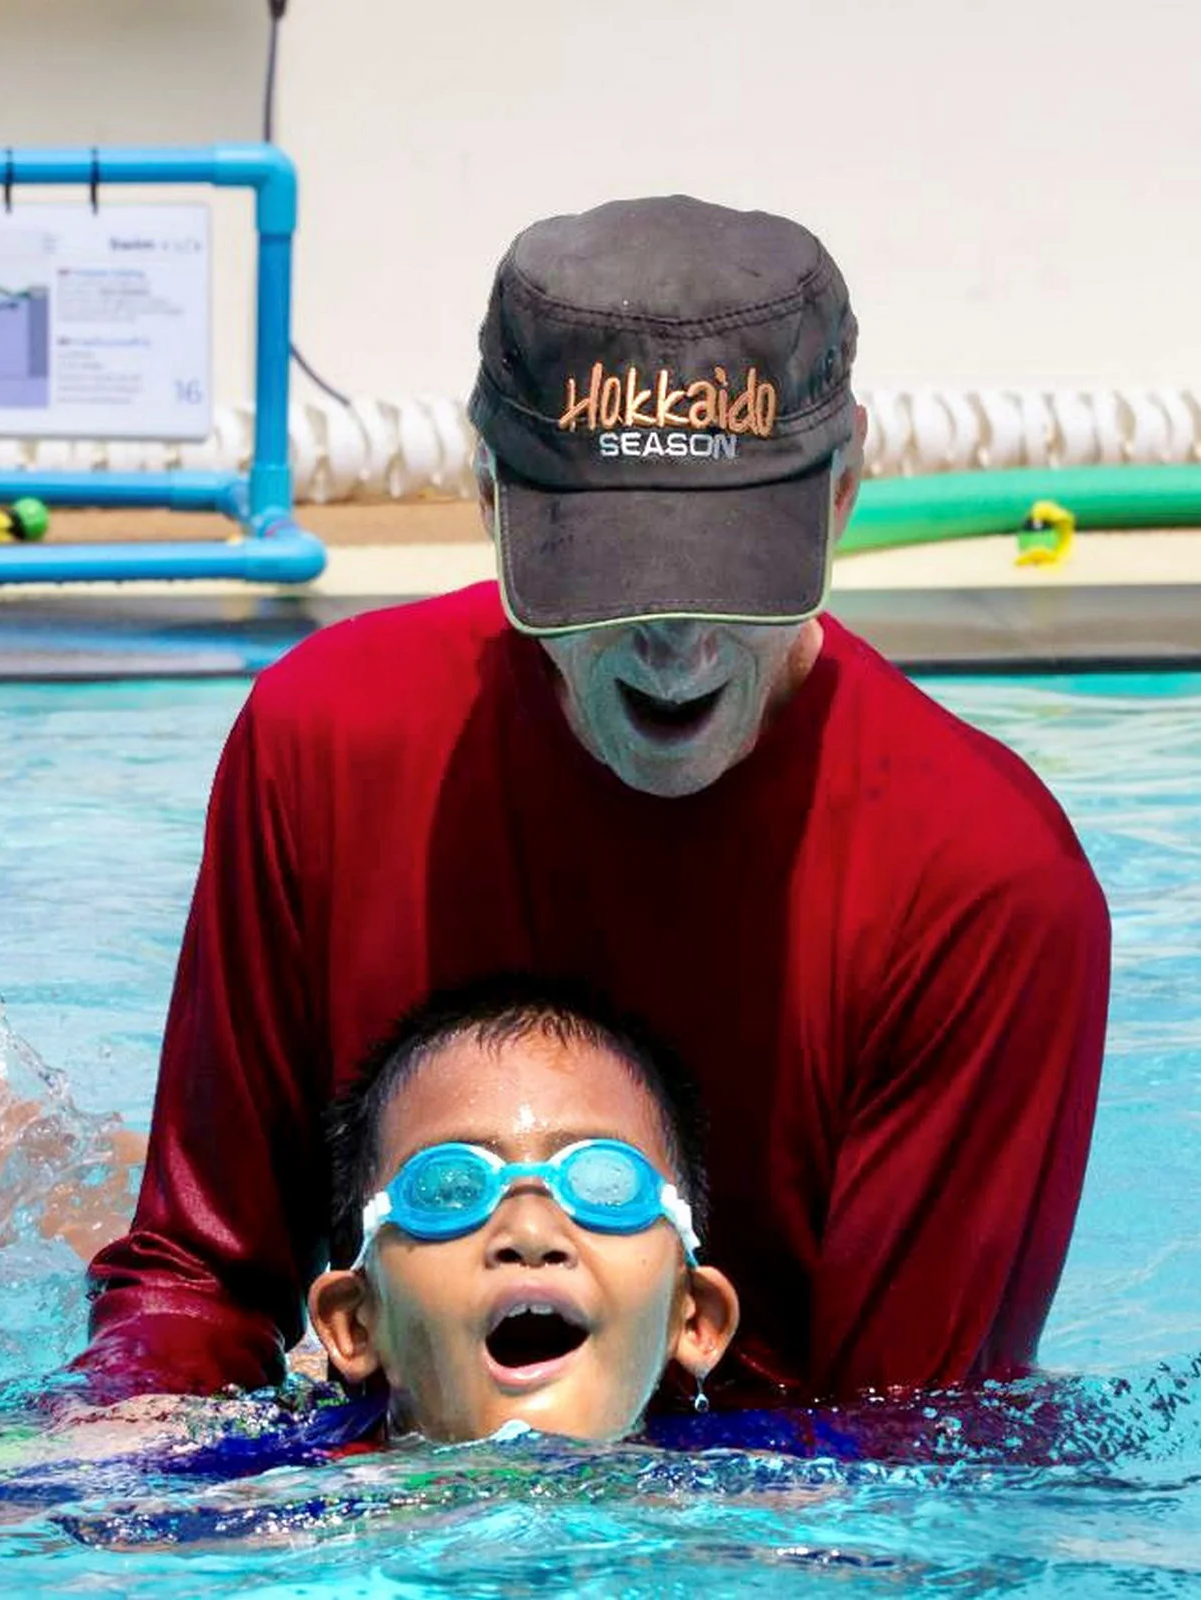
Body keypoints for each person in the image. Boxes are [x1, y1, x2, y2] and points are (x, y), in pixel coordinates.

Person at [79, 193, 1111, 1406]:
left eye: (732, 575)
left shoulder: (987, 892)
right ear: (487, 494)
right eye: (611, 579)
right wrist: (129, 1447)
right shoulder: (325, 741)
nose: (675, 647)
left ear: (841, 492)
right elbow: (204, 1279)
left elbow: (905, 1454)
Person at [306, 976, 738, 1443]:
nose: (530, 1232)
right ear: (356, 1325)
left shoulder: (777, 1476)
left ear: (695, 1319)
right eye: (451, 1190)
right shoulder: (279, 1481)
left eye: (603, 1185)